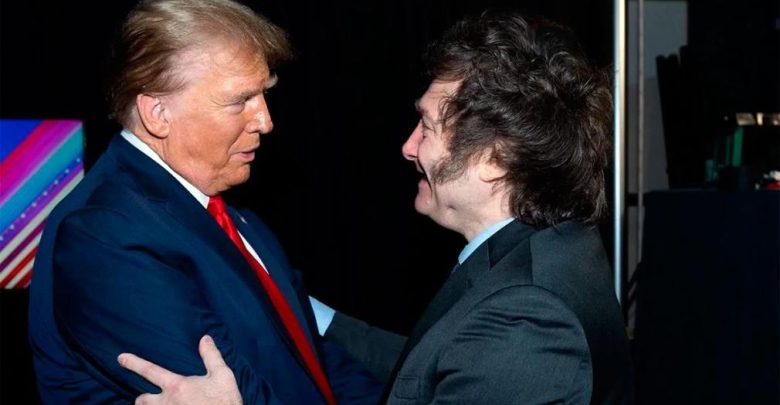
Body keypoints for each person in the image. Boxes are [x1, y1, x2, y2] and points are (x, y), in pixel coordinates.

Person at [118, 12, 634, 404]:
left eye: (427, 128)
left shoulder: (528, 318)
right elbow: (433, 364)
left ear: (494, 160)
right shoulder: (543, 251)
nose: (409, 148)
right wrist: (301, 311)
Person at [27, 0, 382, 404]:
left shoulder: (231, 215)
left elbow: (314, 362)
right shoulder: (105, 233)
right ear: (158, 113)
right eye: (239, 101)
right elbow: (235, 392)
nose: (265, 122)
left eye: (264, 95)